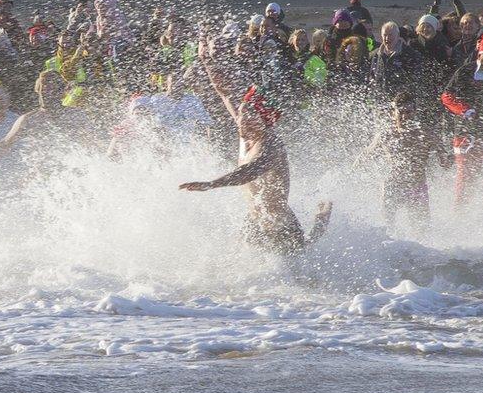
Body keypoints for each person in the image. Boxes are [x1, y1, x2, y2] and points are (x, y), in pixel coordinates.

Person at [180, 47, 332, 255]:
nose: (240, 118)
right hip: (254, 221)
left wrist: (211, 184)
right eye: (241, 113)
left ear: (263, 120)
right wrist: (206, 60)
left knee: (297, 275)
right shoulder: (247, 132)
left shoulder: (271, 145)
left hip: (281, 228)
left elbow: (248, 172)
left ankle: (319, 223)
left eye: (247, 114)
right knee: (231, 265)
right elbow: (224, 93)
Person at [0, 71, 82, 187]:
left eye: (50, 90)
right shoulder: (28, 120)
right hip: (44, 179)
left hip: (73, 173)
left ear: (61, 92)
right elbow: (4, 144)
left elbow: (92, 142)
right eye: (42, 90)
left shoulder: (75, 116)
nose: (44, 94)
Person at [358, 91, 451, 235]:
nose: (405, 116)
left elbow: (444, 162)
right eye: (401, 112)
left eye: (409, 112)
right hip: (392, 185)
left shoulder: (426, 134)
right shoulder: (385, 134)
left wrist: (451, 158)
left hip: (417, 186)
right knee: (388, 228)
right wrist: (351, 172)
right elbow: (365, 157)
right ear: (393, 113)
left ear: (414, 112)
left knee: (422, 231)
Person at [440, 33, 483, 207]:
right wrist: (464, 109)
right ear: (480, 56)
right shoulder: (465, 71)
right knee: (467, 176)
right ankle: (460, 212)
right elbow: (446, 96)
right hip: (467, 133)